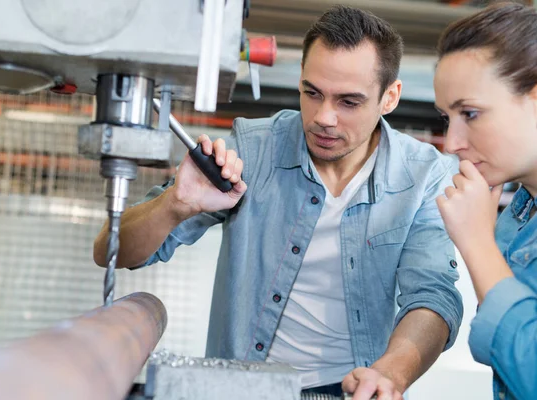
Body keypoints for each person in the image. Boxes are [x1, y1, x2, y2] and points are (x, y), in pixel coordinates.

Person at [94, 5, 463, 399]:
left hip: (353, 390)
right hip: (242, 388)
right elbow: (111, 252)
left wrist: (389, 374)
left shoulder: (423, 176)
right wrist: (175, 203)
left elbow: (432, 295)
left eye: (349, 102)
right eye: (312, 92)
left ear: (390, 97)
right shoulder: (253, 151)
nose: (324, 117)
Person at [434, 3, 537, 400]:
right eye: (448, 118)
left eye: (471, 114)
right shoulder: (517, 214)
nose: (453, 143)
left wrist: (476, 243)